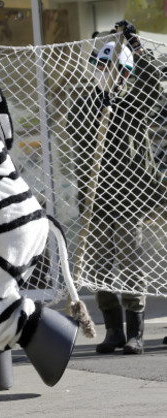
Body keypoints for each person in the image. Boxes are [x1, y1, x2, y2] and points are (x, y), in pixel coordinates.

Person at [67, 20, 165, 355]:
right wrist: (101, 100)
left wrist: (135, 45)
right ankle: (113, 330)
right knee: (96, 268)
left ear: (125, 73)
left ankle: (135, 332)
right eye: (101, 67)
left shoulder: (131, 104)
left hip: (127, 198)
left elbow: (152, 81)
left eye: (113, 69)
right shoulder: (84, 104)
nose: (106, 73)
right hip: (95, 201)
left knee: (130, 263)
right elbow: (75, 126)